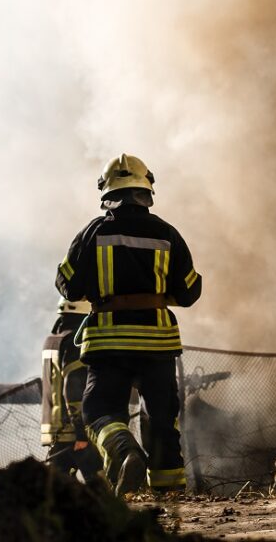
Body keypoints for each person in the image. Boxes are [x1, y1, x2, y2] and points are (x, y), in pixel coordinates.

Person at [55, 153, 202, 495]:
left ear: (107, 192)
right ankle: (171, 499)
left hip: (109, 341)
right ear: (146, 188)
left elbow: (68, 284)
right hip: (157, 342)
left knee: (99, 409)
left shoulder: (93, 232)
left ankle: (123, 450)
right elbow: (190, 291)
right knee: (162, 420)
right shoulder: (168, 234)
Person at [41, 299, 103, 481]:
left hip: (56, 431)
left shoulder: (51, 340)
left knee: (56, 491)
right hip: (74, 433)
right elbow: (73, 387)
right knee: (101, 487)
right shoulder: (75, 341)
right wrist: (82, 434)